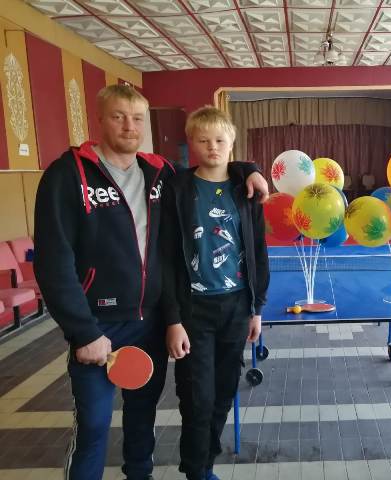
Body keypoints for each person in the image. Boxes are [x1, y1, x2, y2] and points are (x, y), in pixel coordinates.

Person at [33, 85, 269, 480]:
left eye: (137, 118)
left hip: (150, 322)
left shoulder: (160, 174)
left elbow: (214, 164)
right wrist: (83, 331)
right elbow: (53, 261)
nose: (129, 126)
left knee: (142, 418)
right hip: (97, 325)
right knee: (93, 427)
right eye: (118, 116)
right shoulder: (67, 174)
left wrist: (250, 169)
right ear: (100, 118)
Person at [161, 106, 269, 480]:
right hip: (193, 310)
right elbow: (166, 257)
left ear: (232, 143)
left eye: (220, 140)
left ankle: (204, 464)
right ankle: (195, 470)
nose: (212, 147)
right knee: (197, 398)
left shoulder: (246, 189)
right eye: (203, 140)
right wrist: (172, 319)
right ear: (191, 143)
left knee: (223, 392)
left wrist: (256, 309)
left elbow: (258, 252)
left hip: (237, 307)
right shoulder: (176, 188)